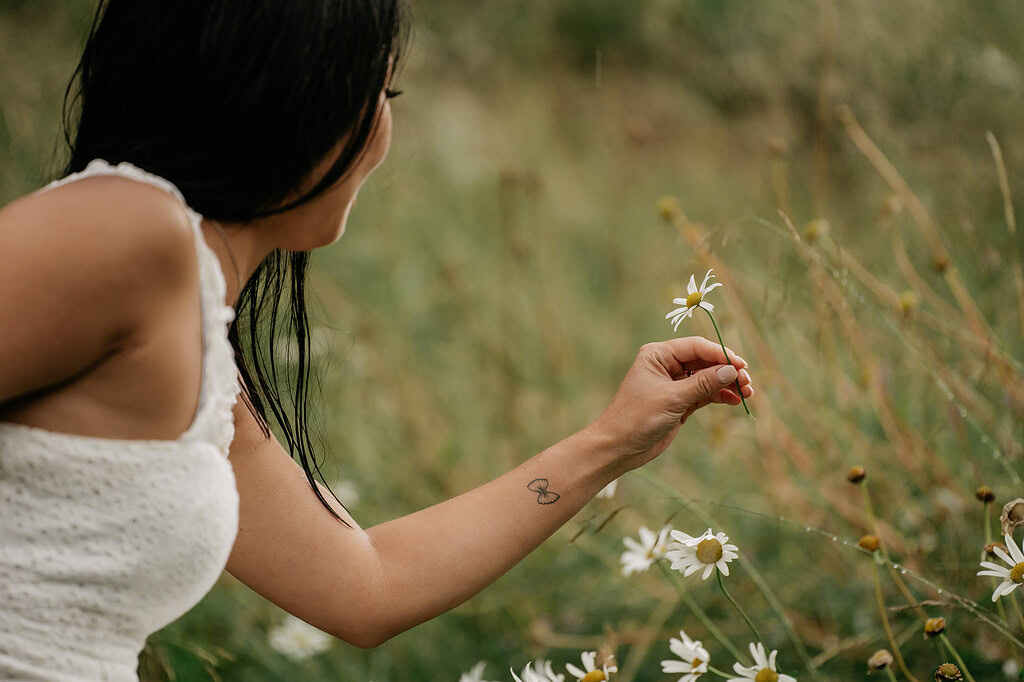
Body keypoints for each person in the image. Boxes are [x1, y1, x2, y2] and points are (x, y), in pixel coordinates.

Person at [0, 1, 754, 679]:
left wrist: (613, 440)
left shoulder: (197, 354)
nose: (383, 133)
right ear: (291, 95)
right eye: (380, 94)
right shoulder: (129, 232)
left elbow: (366, 585)